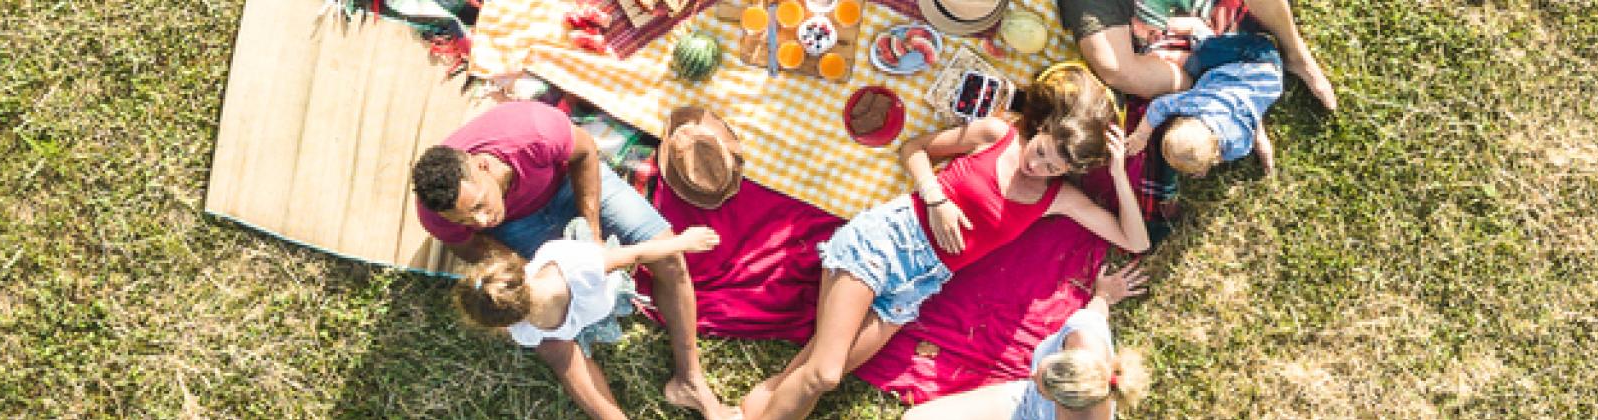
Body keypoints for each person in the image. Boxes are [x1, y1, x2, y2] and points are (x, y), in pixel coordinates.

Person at [736, 67, 1156, 420]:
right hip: (887, 242)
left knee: (810, 374)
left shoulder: (1055, 197)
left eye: (1053, 165)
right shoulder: (997, 134)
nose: (1038, 164)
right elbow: (914, 150)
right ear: (1043, 128)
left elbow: (1134, 240)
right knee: (823, 374)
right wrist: (936, 198)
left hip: (917, 285)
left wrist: (1119, 172)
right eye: (1043, 150)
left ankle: (738, 414)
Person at [409, 101, 733, 418]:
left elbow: (585, 152)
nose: (481, 220)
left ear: (483, 166)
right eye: (466, 218)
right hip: (519, 229)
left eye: (480, 205)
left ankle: (689, 380)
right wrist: (529, 281)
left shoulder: (532, 131)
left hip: (567, 184)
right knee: (547, 337)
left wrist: (591, 236)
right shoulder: (435, 214)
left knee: (670, 256)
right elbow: (475, 247)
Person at [454, 225, 737, 420]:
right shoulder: (527, 330)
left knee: (559, 343)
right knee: (557, 352)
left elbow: (634, 254)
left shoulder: (579, 268)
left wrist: (682, 242)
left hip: (604, 288)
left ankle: (690, 384)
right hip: (586, 313)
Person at [899, 263, 1155, 420]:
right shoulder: (1083, 333)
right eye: (1042, 370)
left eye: (1041, 383)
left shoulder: (1088, 416)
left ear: (1065, 405)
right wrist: (1104, 295)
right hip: (1024, 404)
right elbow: (1096, 312)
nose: (1031, 374)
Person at [1060, 0, 1336, 111]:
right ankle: (1215, 84)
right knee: (1116, 68)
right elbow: (1117, 69)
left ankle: (1296, 54)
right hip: (1172, 43)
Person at [1133, 32, 1291, 177]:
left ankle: (1261, 140)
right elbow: (1158, 107)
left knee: (1249, 111)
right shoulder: (1193, 104)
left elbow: (1242, 137)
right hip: (1252, 58)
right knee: (1198, 60)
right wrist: (1141, 135)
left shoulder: (1238, 145)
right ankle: (1183, 46)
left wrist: (1206, 163)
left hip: (1268, 75)